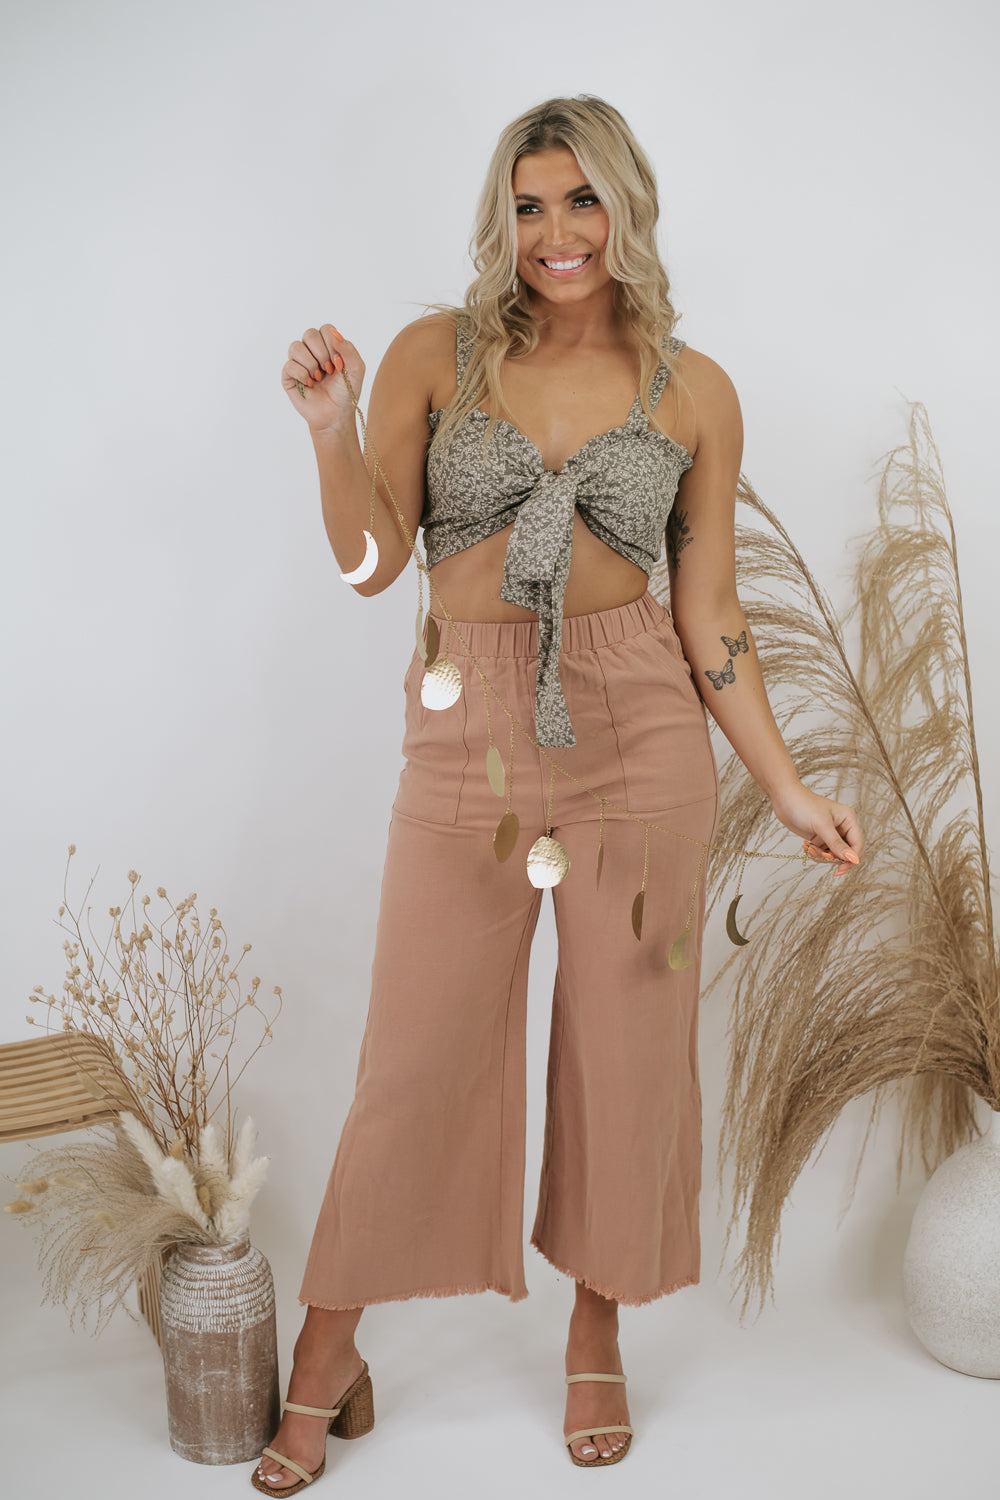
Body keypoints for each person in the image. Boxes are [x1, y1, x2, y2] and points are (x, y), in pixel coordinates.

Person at [254, 94, 862, 1492]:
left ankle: (598, 1327)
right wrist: (331, 430)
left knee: (627, 1053)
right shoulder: (436, 354)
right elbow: (372, 568)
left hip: (639, 729)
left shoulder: (694, 390)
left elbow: (710, 615)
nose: (556, 233)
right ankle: (330, 1342)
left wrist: (783, 786)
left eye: (581, 200)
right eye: (529, 205)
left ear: (626, 207)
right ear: (502, 218)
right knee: (414, 1055)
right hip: (466, 732)